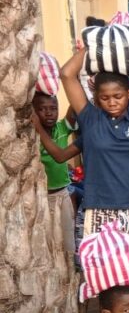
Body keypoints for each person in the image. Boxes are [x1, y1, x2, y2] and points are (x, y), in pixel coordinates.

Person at [59, 47, 129, 242]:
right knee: (101, 262)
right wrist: (93, 45)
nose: (112, 102)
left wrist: (128, 51)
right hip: (99, 208)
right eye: (105, 98)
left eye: (118, 96)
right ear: (97, 97)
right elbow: (66, 74)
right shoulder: (90, 118)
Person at [29, 91, 77, 253]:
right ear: (33, 112)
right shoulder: (31, 136)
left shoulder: (62, 128)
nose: (49, 113)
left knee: (67, 239)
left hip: (62, 194)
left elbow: (75, 105)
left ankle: (70, 265)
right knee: (46, 242)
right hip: (40, 197)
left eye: (53, 108)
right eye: (42, 109)